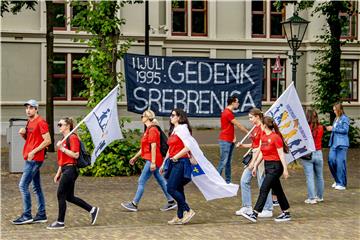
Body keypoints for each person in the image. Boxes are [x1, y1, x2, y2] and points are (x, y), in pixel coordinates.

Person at [47, 117, 99, 229]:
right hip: (66, 169)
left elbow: (75, 155)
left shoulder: (73, 138)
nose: (59, 126)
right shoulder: (64, 139)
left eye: (60, 124)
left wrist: (62, 148)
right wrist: (58, 172)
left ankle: (60, 222)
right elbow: (62, 160)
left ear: (67, 126)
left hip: (71, 170)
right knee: (69, 197)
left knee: (60, 194)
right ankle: (92, 209)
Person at [121, 110, 177, 212]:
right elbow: (144, 148)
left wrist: (153, 162)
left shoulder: (152, 130)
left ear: (147, 117)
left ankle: (134, 204)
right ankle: (171, 201)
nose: (141, 118)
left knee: (141, 181)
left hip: (153, 159)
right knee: (161, 180)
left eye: (142, 116)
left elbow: (154, 146)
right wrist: (135, 157)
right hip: (152, 159)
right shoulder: (148, 130)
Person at [241, 116, 291, 223]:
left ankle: (255, 213)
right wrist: (255, 166)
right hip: (268, 166)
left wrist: (285, 170)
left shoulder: (275, 137)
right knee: (278, 190)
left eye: (261, 124)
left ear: (264, 125)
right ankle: (286, 213)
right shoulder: (263, 137)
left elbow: (281, 154)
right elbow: (262, 153)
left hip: (276, 167)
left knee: (264, 188)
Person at [12, 99, 51, 225]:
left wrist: (34, 151)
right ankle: (41, 214)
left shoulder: (41, 122)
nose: (28, 110)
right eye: (27, 108)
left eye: (31, 108)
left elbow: (48, 141)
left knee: (22, 186)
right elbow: (32, 140)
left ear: (36, 109)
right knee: (36, 187)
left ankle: (27, 215)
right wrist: (23, 135)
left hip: (34, 159)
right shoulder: (30, 121)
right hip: (30, 158)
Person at [160, 108, 196, 225]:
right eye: (171, 115)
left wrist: (176, 156)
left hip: (181, 162)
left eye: (173, 115)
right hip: (173, 162)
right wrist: (164, 163)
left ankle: (188, 210)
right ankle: (180, 215)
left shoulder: (183, 129)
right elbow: (170, 149)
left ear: (179, 117)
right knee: (178, 188)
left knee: (171, 188)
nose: (171, 117)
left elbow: (188, 146)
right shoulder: (175, 130)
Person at [235, 108, 273, 218]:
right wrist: (243, 146)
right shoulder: (255, 128)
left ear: (257, 116)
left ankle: (268, 208)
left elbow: (262, 146)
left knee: (263, 183)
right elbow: (255, 145)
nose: (250, 120)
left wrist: (254, 162)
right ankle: (247, 206)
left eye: (251, 117)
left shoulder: (262, 128)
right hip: (254, 154)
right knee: (244, 180)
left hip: (260, 157)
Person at [217, 95, 248, 183]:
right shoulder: (228, 113)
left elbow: (228, 126)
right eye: (237, 102)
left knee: (227, 162)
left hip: (229, 140)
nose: (238, 104)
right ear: (233, 102)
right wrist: (248, 133)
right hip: (225, 140)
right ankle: (216, 181)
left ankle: (228, 181)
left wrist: (233, 136)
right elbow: (238, 125)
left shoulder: (228, 112)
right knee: (223, 161)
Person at [301, 109, 324, 204]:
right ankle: (320, 196)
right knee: (319, 176)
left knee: (310, 177)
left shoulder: (305, 129)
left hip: (308, 154)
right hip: (319, 153)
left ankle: (311, 198)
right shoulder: (321, 127)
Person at [326, 103, 350, 190]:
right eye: (333, 110)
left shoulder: (345, 118)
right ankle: (337, 180)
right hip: (334, 144)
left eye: (335, 110)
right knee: (331, 161)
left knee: (340, 164)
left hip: (342, 144)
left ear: (339, 110)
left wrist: (333, 129)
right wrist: (331, 128)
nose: (334, 111)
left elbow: (345, 130)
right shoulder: (336, 118)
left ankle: (342, 184)